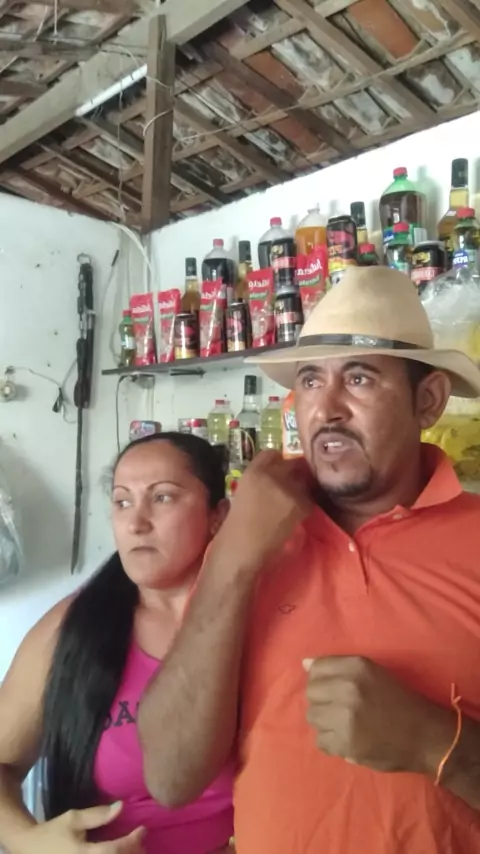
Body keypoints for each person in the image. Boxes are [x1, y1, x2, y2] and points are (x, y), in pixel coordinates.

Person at [139, 267, 480, 854]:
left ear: (427, 401)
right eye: (311, 380)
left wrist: (434, 744)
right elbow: (171, 777)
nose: (327, 409)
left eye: (360, 378)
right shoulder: (252, 542)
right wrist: (234, 558)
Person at [0, 433, 234, 854]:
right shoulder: (74, 628)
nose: (136, 523)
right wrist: (29, 841)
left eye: (162, 498)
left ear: (218, 515)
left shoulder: (260, 617)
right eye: (122, 502)